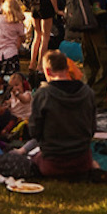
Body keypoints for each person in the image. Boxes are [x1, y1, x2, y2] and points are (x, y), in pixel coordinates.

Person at [29, 49, 97, 178]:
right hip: (82, 162)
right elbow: (92, 128)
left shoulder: (43, 95)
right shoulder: (88, 93)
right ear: (67, 68)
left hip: (52, 163)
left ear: (47, 71)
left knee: (32, 157)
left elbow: (34, 131)